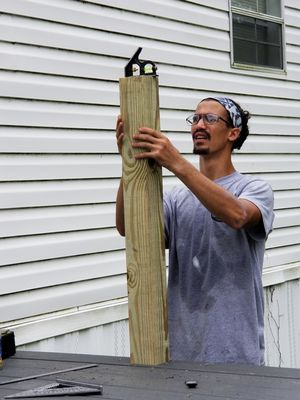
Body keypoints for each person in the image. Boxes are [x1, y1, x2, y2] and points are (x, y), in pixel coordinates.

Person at [115, 96, 274, 365]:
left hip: (236, 355)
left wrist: (175, 162)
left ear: (233, 133)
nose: (200, 124)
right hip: (183, 354)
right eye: (196, 118)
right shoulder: (176, 199)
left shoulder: (254, 189)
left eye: (211, 119)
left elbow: (237, 215)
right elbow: (127, 227)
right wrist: (128, 161)